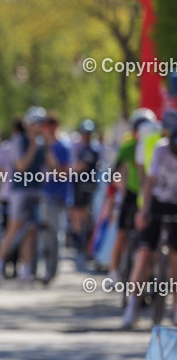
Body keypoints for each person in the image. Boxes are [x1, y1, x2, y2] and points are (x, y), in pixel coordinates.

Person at [122, 111, 177, 328]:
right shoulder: (161, 148)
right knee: (144, 253)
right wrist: (143, 211)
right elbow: (149, 181)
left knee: (175, 257)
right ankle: (132, 304)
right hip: (156, 202)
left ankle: (175, 308)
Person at [0, 106, 48, 282]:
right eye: (35, 123)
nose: (38, 127)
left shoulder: (43, 142)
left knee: (31, 231)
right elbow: (21, 165)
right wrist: (33, 146)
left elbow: (47, 167)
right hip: (20, 190)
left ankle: (25, 269)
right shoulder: (19, 141)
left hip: (36, 189)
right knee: (14, 227)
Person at [108, 108, 157, 281]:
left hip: (148, 196)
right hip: (130, 193)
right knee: (121, 234)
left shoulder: (157, 144)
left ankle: (151, 275)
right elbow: (115, 170)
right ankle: (113, 272)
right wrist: (120, 188)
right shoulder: (128, 147)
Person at [39, 113, 71, 283]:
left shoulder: (62, 146)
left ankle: (52, 270)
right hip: (45, 195)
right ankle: (46, 268)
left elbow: (60, 172)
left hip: (57, 196)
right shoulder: (43, 145)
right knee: (45, 235)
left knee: (55, 234)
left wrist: (47, 150)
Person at [69, 119, 102, 269]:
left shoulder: (93, 150)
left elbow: (80, 167)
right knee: (76, 213)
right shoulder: (78, 147)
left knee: (83, 213)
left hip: (87, 185)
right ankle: (78, 240)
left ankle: (83, 242)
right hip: (77, 184)